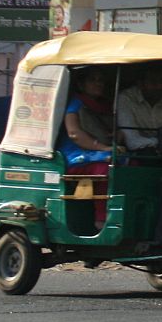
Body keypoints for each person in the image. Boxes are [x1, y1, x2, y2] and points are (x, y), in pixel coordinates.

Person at [61, 66, 116, 226]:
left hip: (99, 153)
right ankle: (101, 219)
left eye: (101, 81)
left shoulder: (105, 105)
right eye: (92, 80)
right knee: (106, 170)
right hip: (76, 156)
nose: (98, 84)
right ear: (81, 84)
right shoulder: (76, 104)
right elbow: (74, 134)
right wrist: (101, 147)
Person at [115, 62, 162, 154]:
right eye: (153, 82)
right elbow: (132, 141)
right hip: (139, 154)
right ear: (140, 84)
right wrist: (161, 143)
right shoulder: (126, 98)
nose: (158, 86)